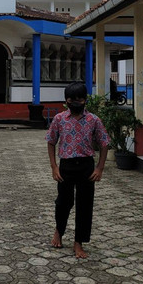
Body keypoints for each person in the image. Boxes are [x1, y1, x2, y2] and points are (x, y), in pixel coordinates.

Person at [46, 81, 109, 258]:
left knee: (85, 205)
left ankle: (78, 242)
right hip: (65, 166)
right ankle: (59, 231)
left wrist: (100, 168)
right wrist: (54, 167)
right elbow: (51, 142)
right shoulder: (59, 119)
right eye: (72, 99)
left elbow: (104, 143)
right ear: (66, 101)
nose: (76, 102)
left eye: (80, 99)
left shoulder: (93, 120)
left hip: (86, 166)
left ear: (85, 100)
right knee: (63, 203)